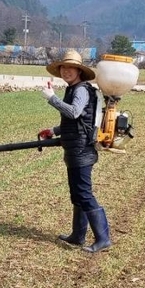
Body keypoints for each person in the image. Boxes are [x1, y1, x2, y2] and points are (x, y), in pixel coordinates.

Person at [39, 49, 111, 253]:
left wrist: (51, 98)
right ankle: (77, 235)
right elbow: (77, 123)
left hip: (81, 150)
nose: (66, 71)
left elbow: (74, 112)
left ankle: (103, 238)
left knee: (84, 194)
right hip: (75, 148)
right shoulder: (73, 89)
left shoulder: (80, 90)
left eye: (71, 68)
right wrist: (53, 131)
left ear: (78, 71)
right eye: (63, 67)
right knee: (77, 195)